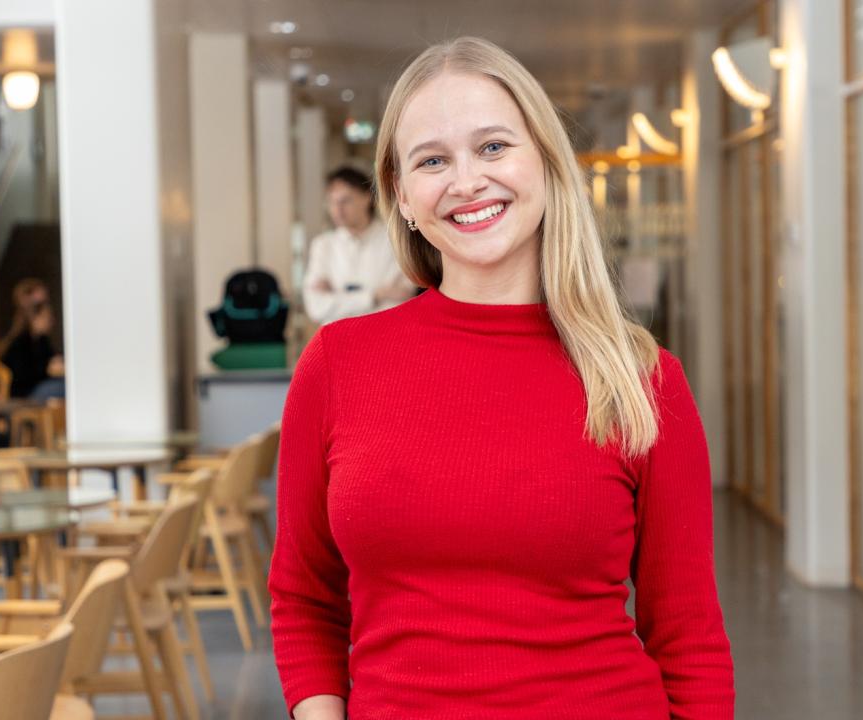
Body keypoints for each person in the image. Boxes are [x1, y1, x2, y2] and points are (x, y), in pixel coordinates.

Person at [270, 37, 735, 720]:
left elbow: (688, 637)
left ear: (545, 162)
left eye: (493, 148)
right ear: (401, 195)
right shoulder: (339, 364)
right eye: (433, 160)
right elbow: (305, 599)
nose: (467, 182)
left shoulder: (641, 378)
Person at [301, 166, 416, 325]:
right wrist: (376, 295)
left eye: (345, 200)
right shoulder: (322, 245)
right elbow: (316, 307)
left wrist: (337, 298)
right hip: (337, 341)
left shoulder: (395, 240)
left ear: (366, 198)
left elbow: (401, 301)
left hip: (387, 336)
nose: (337, 209)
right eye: (331, 201)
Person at [0, 279, 65, 401]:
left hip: (37, 388)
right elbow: (23, 376)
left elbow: (50, 359)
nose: (48, 313)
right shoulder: (19, 342)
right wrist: (47, 368)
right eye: (39, 307)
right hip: (23, 394)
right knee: (63, 387)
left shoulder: (41, 340)